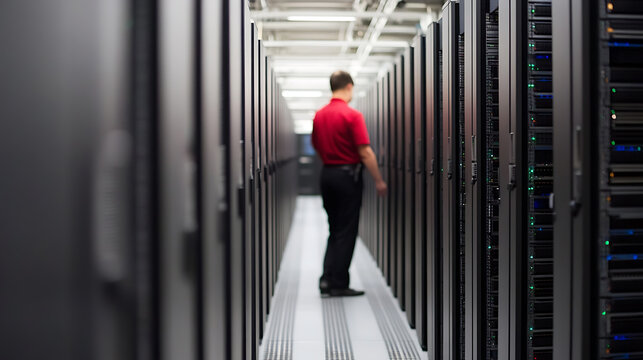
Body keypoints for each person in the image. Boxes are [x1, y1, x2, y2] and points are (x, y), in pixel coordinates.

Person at [311, 70, 388, 297]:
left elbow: (316, 145)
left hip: (327, 175)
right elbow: (365, 152)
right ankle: (338, 283)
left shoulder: (319, 115)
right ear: (349, 87)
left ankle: (326, 278)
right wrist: (378, 180)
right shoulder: (352, 115)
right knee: (346, 231)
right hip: (347, 178)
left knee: (334, 228)